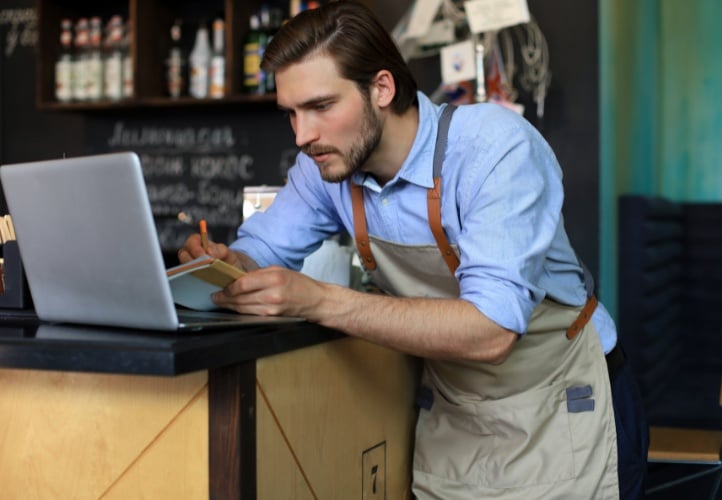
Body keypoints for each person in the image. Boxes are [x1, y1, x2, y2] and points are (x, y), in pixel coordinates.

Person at [178, 1, 648, 498]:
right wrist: (226, 266)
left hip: (562, 405)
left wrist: (318, 300)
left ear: (382, 87)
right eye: (291, 113)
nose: (303, 135)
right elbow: (261, 250)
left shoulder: (495, 150)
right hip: (455, 414)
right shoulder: (327, 168)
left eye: (320, 107)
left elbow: (492, 331)